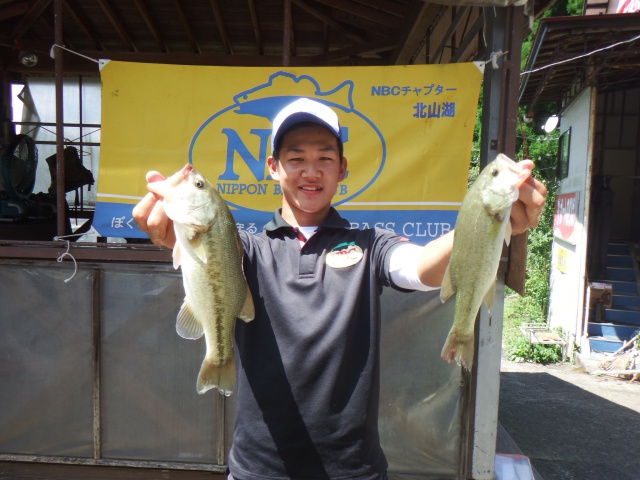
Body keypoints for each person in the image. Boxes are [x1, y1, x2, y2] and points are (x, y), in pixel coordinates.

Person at [133, 98, 547, 480]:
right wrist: (174, 234)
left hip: (354, 469)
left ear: (343, 169)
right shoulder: (246, 250)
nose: (310, 171)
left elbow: (421, 269)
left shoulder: (371, 244)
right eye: (295, 158)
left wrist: (490, 220)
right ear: (273, 167)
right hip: (258, 468)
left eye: (324, 158)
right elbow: (209, 262)